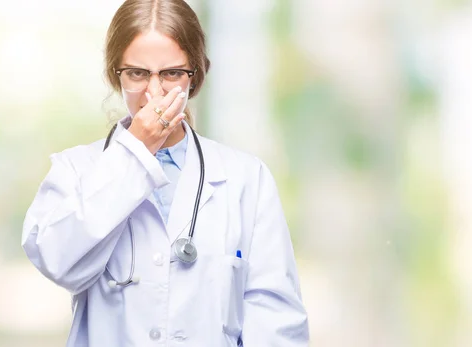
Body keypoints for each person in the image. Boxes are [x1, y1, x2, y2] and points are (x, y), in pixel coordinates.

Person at [21, 0, 309, 346]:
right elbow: (59, 264)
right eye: (138, 74)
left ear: (196, 75)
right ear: (116, 75)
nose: (154, 93)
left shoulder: (247, 178)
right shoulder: (75, 170)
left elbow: (275, 321)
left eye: (172, 73)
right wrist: (134, 155)